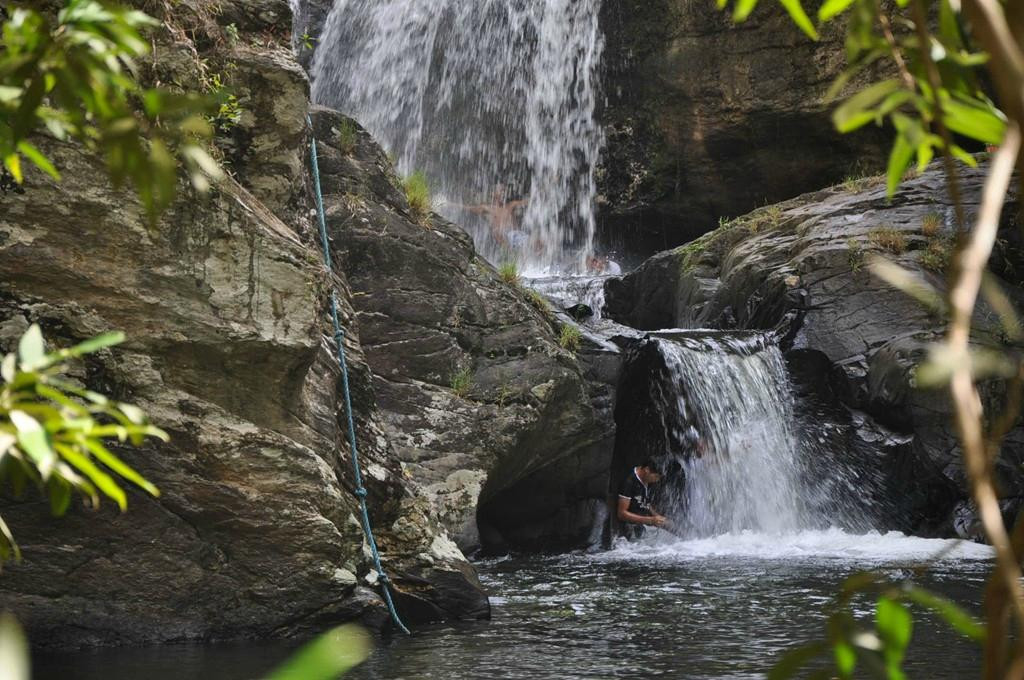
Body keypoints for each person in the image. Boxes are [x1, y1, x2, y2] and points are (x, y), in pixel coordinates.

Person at [617, 458, 669, 538]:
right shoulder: (629, 481)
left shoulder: (646, 478)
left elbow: (644, 501)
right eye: (656, 476)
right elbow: (621, 513)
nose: (657, 480)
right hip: (629, 529)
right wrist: (651, 520)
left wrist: (657, 516)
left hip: (644, 524)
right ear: (647, 470)